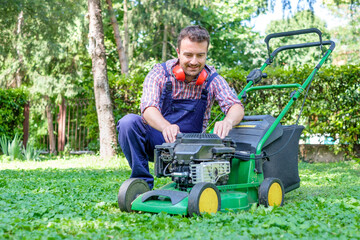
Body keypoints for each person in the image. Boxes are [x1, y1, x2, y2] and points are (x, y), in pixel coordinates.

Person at [116, 25, 244, 189]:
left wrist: (228, 121)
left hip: (194, 147)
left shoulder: (212, 78)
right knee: (128, 122)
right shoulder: (160, 73)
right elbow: (148, 108)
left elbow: (236, 106)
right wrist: (166, 126)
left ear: (206, 54)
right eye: (188, 55)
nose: (194, 61)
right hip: (160, 143)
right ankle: (141, 182)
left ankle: (192, 178)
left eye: (200, 55)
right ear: (178, 52)